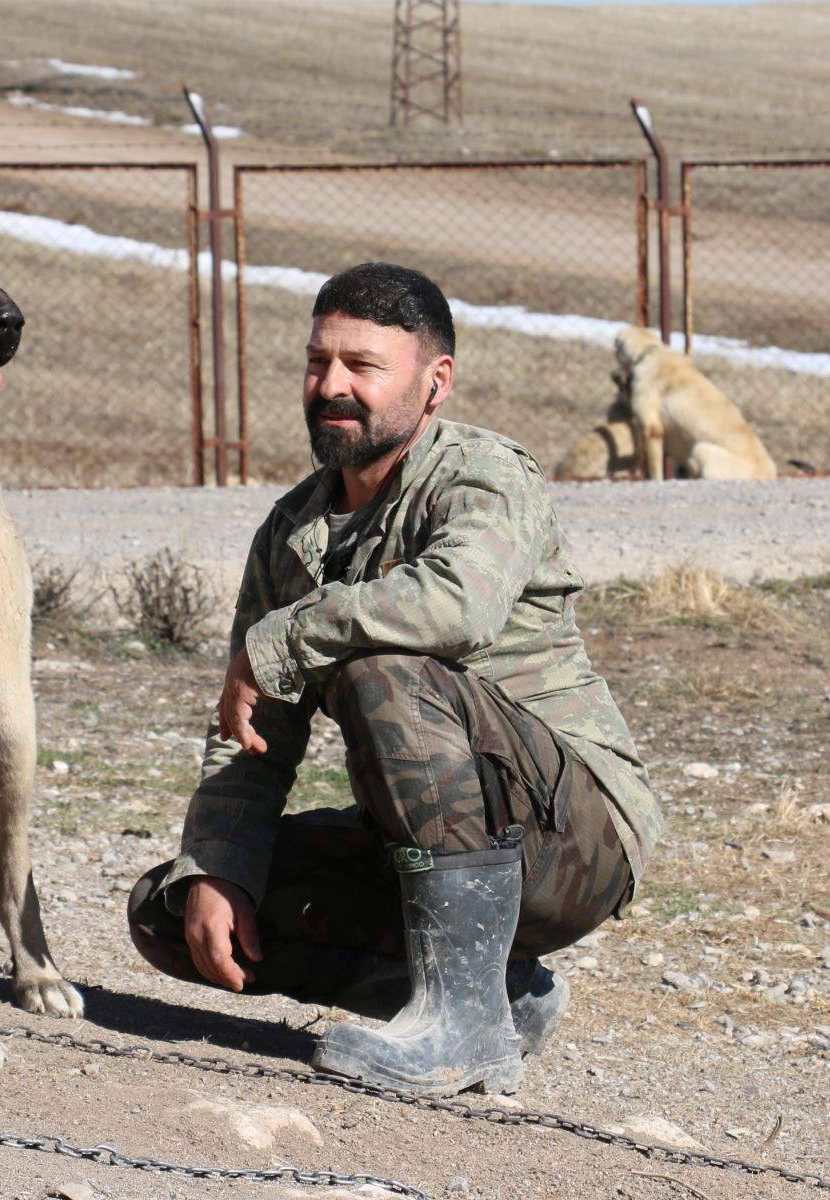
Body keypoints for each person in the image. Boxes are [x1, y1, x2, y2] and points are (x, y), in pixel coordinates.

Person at [127, 263, 662, 1097]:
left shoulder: (485, 476)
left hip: (572, 840)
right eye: (317, 363)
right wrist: (219, 864)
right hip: (422, 841)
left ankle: (459, 1025)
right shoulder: (293, 531)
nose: (331, 387)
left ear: (434, 382)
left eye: (362, 367)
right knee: (174, 911)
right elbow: (253, 738)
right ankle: (496, 998)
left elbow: (457, 606)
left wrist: (287, 635)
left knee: (380, 669)